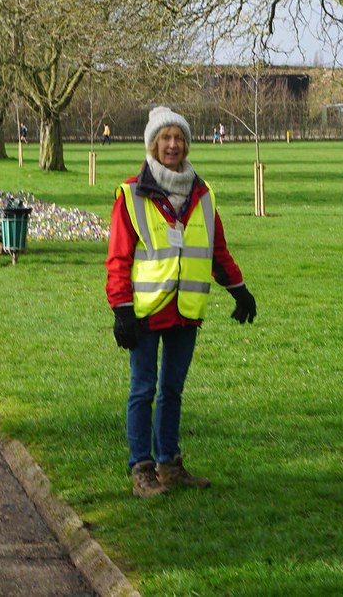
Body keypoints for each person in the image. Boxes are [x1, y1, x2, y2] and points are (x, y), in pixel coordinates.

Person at [105, 106, 256, 498]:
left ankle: (168, 464)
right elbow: (119, 257)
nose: (173, 145)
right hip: (144, 312)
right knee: (143, 388)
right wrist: (121, 309)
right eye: (165, 138)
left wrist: (238, 289)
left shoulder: (202, 195)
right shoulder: (131, 193)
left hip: (185, 311)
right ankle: (141, 469)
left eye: (179, 138)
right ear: (153, 145)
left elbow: (216, 251)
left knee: (172, 389)